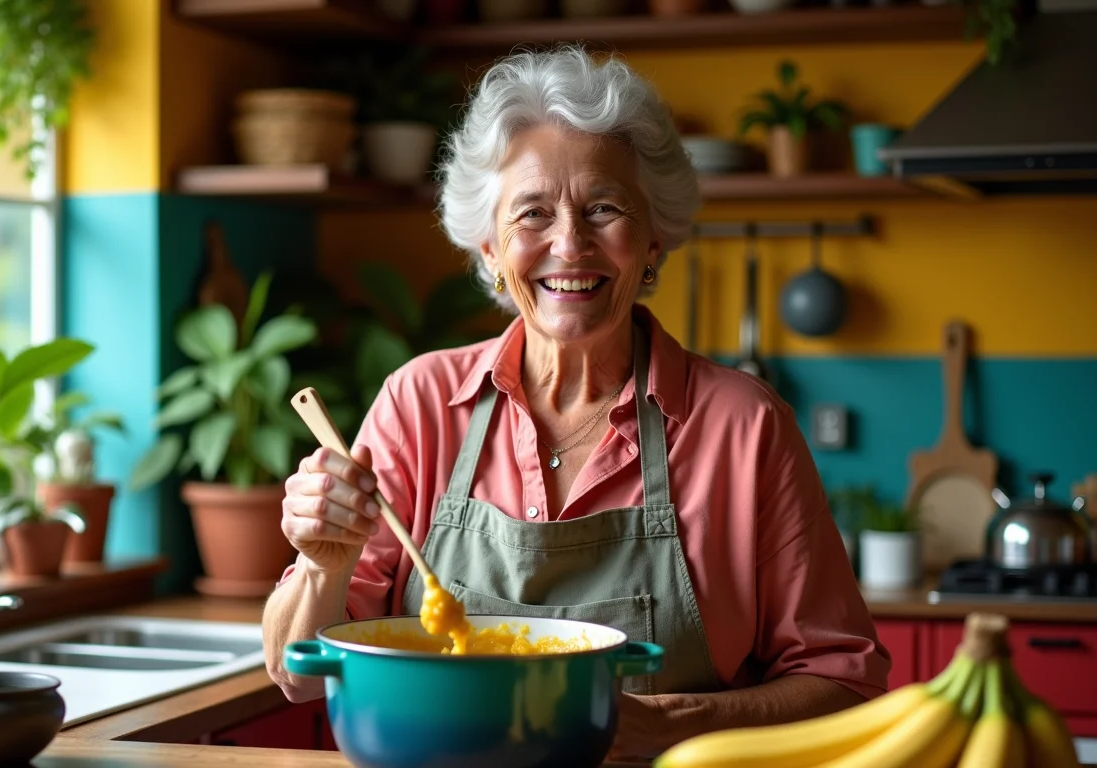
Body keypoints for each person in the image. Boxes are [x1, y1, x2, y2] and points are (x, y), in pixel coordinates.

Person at [262, 44, 889, 760]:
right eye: (532, 214)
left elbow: (845, 683)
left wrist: (674, 725)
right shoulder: (419, 403)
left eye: (603, 208)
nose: (570, 242)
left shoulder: (744, 427)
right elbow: (295, 674)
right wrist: (323, 564)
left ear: (653, 241)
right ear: (489, 249)